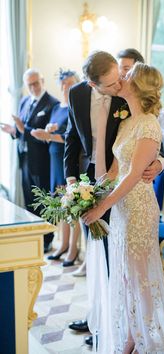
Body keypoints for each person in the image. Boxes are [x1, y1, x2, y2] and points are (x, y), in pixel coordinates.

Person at [82, 63, 164, 354]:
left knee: (138, 275)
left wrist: (101, 206)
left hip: (139, 209)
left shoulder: (150, 125)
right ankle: (131, 334)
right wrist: (88, 194)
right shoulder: (128, 121)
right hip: (121, 211)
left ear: (139, 85)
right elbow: (116, 171)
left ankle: (140, 337)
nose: (123, 78)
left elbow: (133, 176)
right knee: (125, 273)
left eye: (128, 76)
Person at [64, 51, 164, 347]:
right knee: (106, 263)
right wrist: (80, 189)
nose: (119, 83)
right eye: (110, 83)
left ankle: (136, 336)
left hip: (132, 202)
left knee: (133, 272)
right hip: (99, 189)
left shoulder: (133, 104)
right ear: (93, 84)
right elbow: (74, 141)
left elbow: (145, 160)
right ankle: (103, 318)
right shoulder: (79, 95)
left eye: (122, 77)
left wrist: (159, 163)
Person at [0, 68, 58, 252]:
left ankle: (47, 239)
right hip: (25, 158)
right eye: (29, 84)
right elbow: (22, 130)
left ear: (42, 81)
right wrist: (14, 131)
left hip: (42, 161)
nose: (33, 87)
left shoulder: (52, 104)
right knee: (29, 199)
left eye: (35, 83)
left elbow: (44, 135)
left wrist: (23, 129)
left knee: (43, 200)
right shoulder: (25, 101)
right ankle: (34, 236)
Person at [31, 69, 82, 267]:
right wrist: (48, 131)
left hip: (67, 160)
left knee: (72, 206)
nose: (65, 87)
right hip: (54, 159)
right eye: (63, 84)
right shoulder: (57, 108)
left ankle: (73, 248)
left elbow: (73, 138)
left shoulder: (76, 107)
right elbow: (55, 130)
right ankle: (62, 244)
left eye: (69, 84)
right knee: (60, 205)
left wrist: (51, 136)